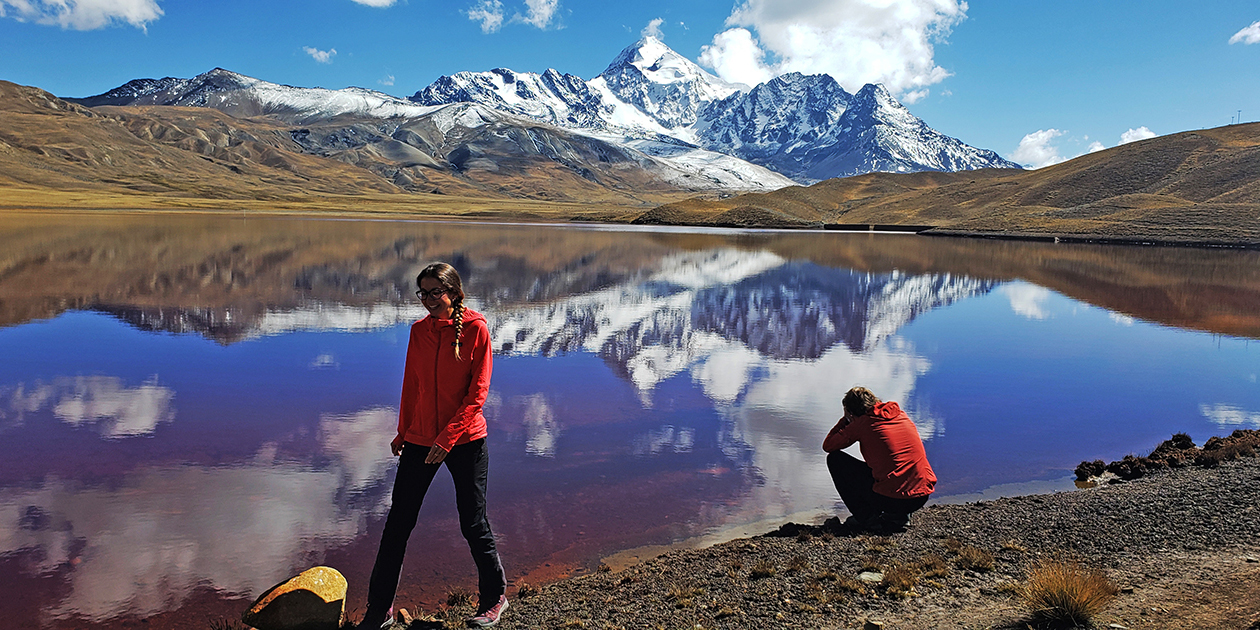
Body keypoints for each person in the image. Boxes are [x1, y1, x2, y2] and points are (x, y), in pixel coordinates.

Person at [358, 262, 508, 629]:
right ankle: (380, 610)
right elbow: (412, 386)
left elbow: (477, 395)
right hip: (420, 439)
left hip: (466, 439)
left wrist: (448, 438)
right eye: (422, 293)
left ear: (454, 293)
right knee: (398, 524)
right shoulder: (418, 331)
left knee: (473, 523)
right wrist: (403, 431)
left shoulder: (476, 329)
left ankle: (495, 598)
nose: (427, 300)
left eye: (434, 293)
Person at [822, 387, 936, 532]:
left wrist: (845, 420)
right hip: (921, 496)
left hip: (894, 500)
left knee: (835, 460)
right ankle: (900, 516)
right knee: (892, 465)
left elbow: (829, 445)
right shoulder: (900, 415)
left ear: (851, 412)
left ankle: (867, 519)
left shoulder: (862, 423)